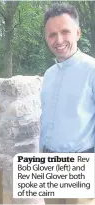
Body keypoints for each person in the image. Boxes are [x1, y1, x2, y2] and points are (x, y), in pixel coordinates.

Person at [40, 3, 95, 205]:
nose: (59, 40)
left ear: (78, 33)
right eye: (52, 34)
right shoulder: (48, 75)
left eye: (65, 32)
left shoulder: (92, 70)